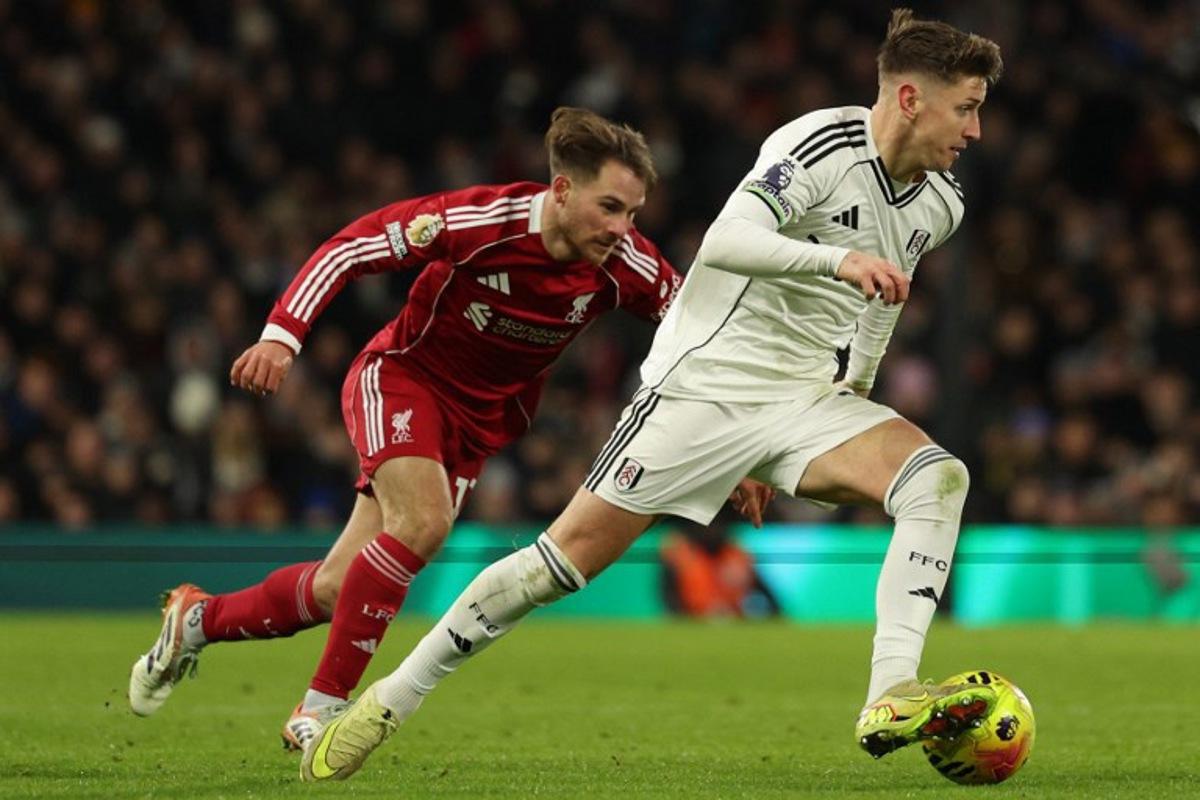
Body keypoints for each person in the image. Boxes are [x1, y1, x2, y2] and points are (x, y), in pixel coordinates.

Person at [298, 7, 1006, 783]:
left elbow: (887, 296)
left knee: (938, 477)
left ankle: (891, 691)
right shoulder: (817, 146)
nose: (974, 130)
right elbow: (724, 243)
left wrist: (858, 392)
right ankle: (391, 699)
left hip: (807, 399)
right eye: (966, 107)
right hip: (703, 388)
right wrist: (836, 261)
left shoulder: (942, 203)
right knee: (553, 567)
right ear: (910, 98)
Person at [128, 106, 770, 748]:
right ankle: (320, 711)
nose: (621, 228)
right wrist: (281, 335)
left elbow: (700, 340)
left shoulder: (626, 264)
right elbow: (351, 248)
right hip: (402, 379)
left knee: (335, 589)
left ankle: (197, 620)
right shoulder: (482, 221)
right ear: (562, 190)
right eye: (609, 207)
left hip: (474, 428)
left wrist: (737, 453)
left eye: (632, 213)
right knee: (424, 523)